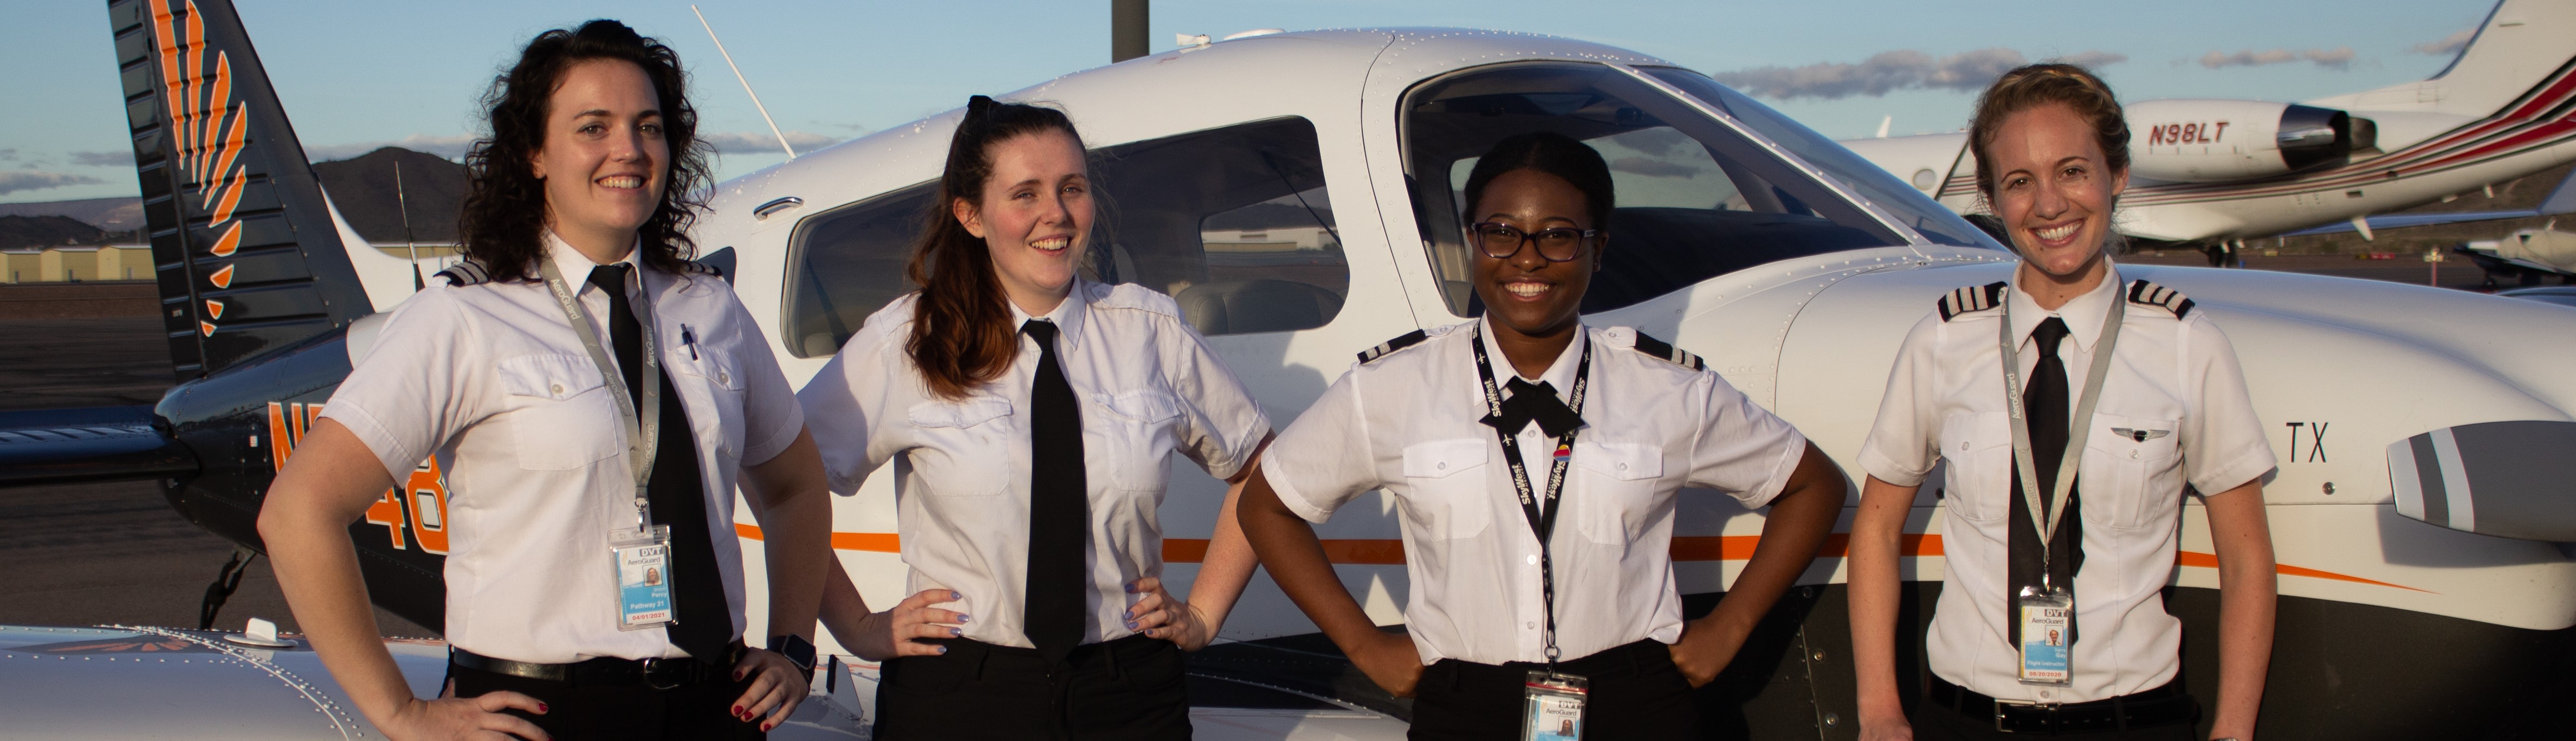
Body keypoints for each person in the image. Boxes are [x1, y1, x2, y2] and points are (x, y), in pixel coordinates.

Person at [258, 20, 833, 740]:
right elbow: (298, 509)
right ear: (534, 152)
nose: (627, 149)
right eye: (593, 127)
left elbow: (795, 486)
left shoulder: (709, 306)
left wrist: (793, 646)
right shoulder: (463, 317)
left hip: (710, 704)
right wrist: (398, 710)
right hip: (538, 713)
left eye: (648, 127)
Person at [1238, 132, 1847, 740]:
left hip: (1636, 703)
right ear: (1470, 241)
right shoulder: (1389, 387)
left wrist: (1730, 626)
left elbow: (1810, 484)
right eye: (1500, 232)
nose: (1526, 259)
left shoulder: (1668, 389)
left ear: (1597, 248)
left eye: (1557, 235)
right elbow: (1267, 504)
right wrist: (1364, 644)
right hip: (1465, 706)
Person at [798, 95, 1273, 740]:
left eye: (1071, 188)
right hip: (959, 693)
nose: (1055, 214)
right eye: (1025, 193)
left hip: (1125, 690)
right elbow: (783, 483)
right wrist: (855, 625)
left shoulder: (1149, 331)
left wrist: (1205, 615)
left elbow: (1261, 471)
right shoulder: (907, 341)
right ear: (970, 214)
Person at [1847, 64, 2278, 741]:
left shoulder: (2187, 344)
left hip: (2129, 719)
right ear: (1991, 197)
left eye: (2072, 171)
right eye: (2019, 182)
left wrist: (2233, 731)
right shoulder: (1944, 339)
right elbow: (1873, 529)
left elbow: (2247, 559)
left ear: (2118, 175)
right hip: (1965, 719)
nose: (2049, 205)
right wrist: (1878, 710)